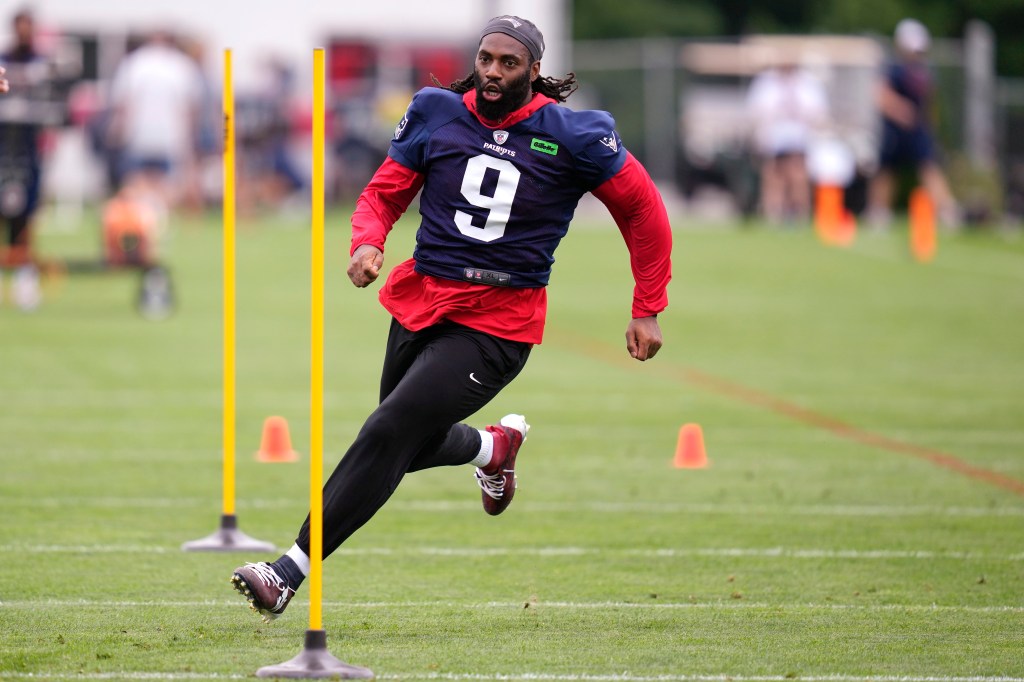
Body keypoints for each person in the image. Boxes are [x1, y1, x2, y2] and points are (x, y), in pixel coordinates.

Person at [229, 15, 673, 622]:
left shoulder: (573, 135)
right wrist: (368, 240)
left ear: (534, 71)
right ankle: (493, 448)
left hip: (499, 320)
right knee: (403, 445)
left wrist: (647, 306)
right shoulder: (437, 111)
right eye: (486, 58)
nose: (492, 71)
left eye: (508, 63)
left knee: (388, 431)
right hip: (423, 298)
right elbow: (385, 191)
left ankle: (286, 573)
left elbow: (643, 211)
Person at [867, 18, 960, 228]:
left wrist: (929, 123)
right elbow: (881, 97)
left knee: (929, 168)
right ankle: (878, 212)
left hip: (917, 130)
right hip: (895, 130)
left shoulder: (925, 71)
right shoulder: (893, 69)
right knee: (887, 171)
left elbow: (929, 102)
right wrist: (900, 111)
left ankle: (947, 210)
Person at [107, 29, 204, 219]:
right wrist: (190, 138)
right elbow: (191, 106)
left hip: (139, 133)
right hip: (171, 134)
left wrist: (118, 129)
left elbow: (122, 102)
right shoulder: (181, 65)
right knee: (166, 183)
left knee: (136, 180)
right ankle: (154, 219)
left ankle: (137, 218)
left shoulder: (134, 63)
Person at [0, 9, 52, 310]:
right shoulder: (5, 60)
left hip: (28, 150)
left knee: (26, 215)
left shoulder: (42, 63)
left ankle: (24, 278)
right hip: (3, 145)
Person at [745, 54, 830, 224]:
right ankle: (773, 211)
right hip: (772, 136)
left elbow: (817, 112)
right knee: (773, 174)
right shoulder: (766, 82)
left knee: (797, 174)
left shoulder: (808, 82)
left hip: (799, 136)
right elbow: (756, 110)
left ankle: (798, 212)